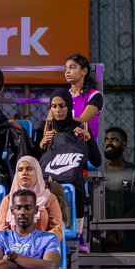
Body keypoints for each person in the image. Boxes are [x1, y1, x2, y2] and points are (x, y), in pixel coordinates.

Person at [38, 88, 97, 227]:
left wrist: (88, 139)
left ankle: (76, 230)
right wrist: (41, 145)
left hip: (74, 178)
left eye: (62, 106)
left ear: (69, 106)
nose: (58, 110)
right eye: (54, 106)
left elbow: (97, 161)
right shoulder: (45, 128)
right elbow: (36, 160)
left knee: (75, 182)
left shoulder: (80, 127)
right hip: (49, 178)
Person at [0, 187, 61, 269]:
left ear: (36, 210)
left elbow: (51, 268)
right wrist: (35, 265)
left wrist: (13, 256)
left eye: (27, 207)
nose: (22, 212)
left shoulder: (49, 238)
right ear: (12, 211)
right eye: (18, 208)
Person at [98, 127, 135, 252]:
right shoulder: (97, 173)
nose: (108, 143)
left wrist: (115, 231)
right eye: (106, 140)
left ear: (124, 144)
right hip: (100, 242)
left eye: (114, 140)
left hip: (127, 242)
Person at [0, 156, 65, 237]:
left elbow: (57, 229)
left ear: (37, 172)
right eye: (20, 170)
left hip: (42, 245)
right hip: (13, 246)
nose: (24, 172)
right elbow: (0, 230)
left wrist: (38, 241)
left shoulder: (49, 199)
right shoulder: (8, 200)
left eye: (29, 169)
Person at [63, 53, 104, 140]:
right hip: (63, 141)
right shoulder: (62, 96)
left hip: (85, 142)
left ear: (84, 71)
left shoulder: (95, 95)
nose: (67, 71)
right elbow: (50, 121)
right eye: (66, 68)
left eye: (72, 67)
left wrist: (59, 122)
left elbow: (82, 121)